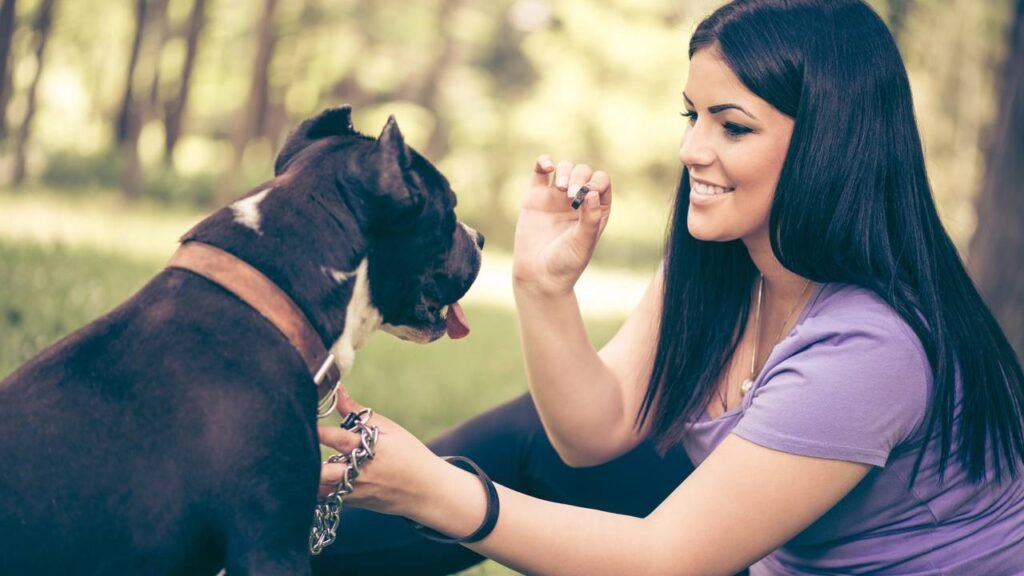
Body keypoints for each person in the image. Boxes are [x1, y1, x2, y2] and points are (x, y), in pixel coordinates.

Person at [316, 0, 1024, 573]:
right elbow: (587, 436)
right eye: (693, 115)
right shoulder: (728, 266)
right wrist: (541, 285)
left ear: (828, 146)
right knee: (528, 435)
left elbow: (666, 559)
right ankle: (260, 556)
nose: (691, 150)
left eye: (732, 125)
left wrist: (439, 493)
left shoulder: (870, 347)